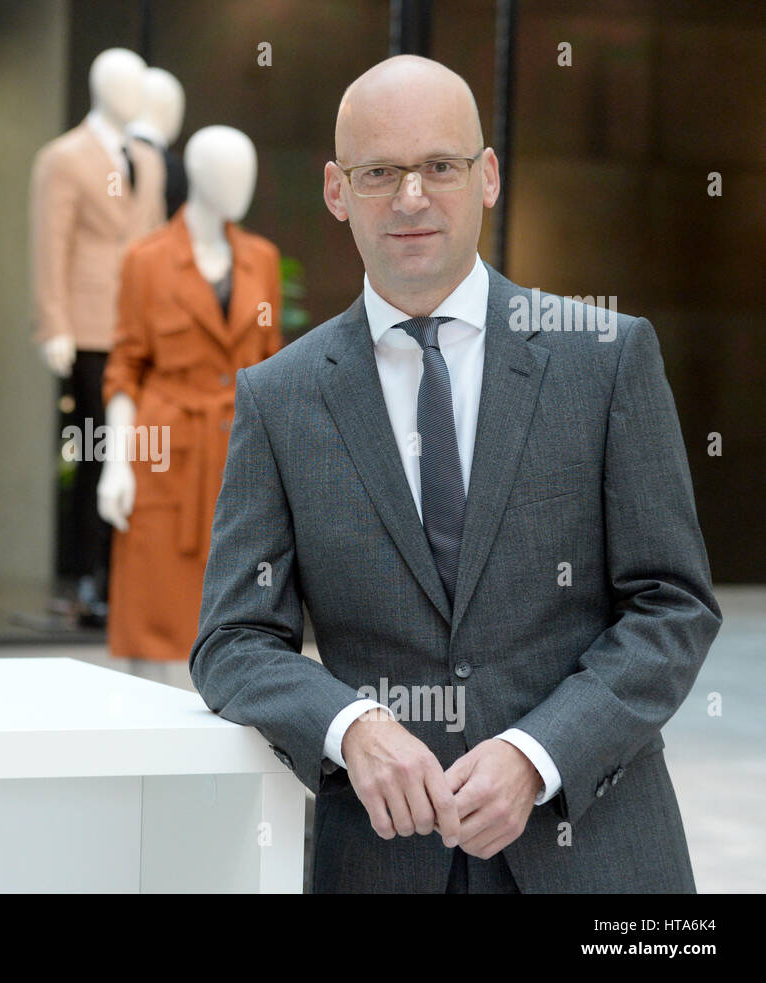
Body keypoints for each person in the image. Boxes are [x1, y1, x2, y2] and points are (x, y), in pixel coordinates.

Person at [189, 55, 721, 893]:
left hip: (597, 857)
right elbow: (232, 640)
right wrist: (348, 724)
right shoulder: (279, 397)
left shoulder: (607, 359)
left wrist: (537, 753)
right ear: (336, 190)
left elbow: (674, 604)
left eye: (440, 165)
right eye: (379, 173)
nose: (411, 197)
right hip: (379, 858)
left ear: (488, 177)